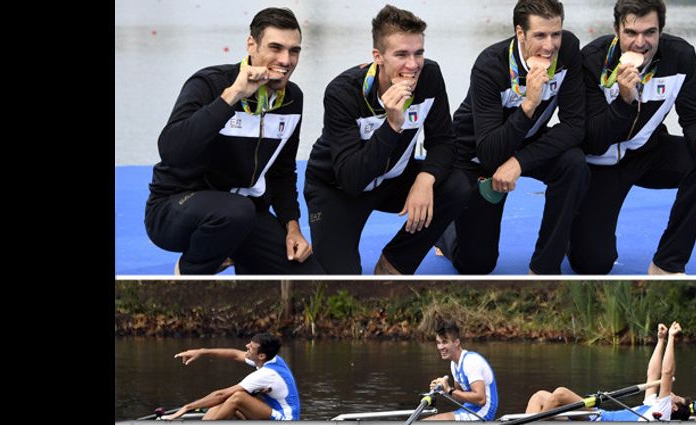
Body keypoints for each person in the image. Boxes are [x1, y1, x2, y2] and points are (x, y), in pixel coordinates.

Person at [145, 8, 322, 275]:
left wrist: (292, 227)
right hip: (174, 209)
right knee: (235, 211)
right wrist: (232, 96)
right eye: (275, 48)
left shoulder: (292, 98)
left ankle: (237, 255)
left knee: (311, 280)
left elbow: (282, 173)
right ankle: (192, 269)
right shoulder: (210, 83)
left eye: (294, 50)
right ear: (251, 44)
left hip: (246, 216)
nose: (286, 60)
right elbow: (172, 150)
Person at [568, 0, 696, 275]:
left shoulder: (680, 56)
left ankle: (667, 263)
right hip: (598, 165)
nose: (640, 42)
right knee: (592, 265)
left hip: (648, 152)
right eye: (631, 33)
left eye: (650, 33)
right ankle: (577, 230)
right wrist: (623, 100)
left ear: (661, 31)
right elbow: (592, 140)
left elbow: (694, 119)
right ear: (616, 30)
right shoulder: (591, 61)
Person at [304, 5, 470, 274]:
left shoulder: (429, 77)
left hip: (392, 179)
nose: (413, 65)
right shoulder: (342, 92)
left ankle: (395, 262)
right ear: (378, 56)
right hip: (337, 188)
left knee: (455, 185)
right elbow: (351, 178)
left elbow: (443, 142)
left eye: (419, 53)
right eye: (401, 54)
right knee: (340, 284)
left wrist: (424, 180)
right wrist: (392, 125)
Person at [437, 0, 589, 274]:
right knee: (476, 265)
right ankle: (444, 232)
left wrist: (519, 161)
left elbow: (575, 126)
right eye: (540, 35)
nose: (550, 45)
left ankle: (544, 267)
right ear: (520, 33)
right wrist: (529, 105)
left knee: (574, 162)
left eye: (556, 34)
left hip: (524, 144)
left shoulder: (568, 50)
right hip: (476, 152)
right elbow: (491, 153)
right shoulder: (489, 66)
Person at [525, 322, 691, 421]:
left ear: (674, 408)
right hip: (600, 415)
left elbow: (667, 373)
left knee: (560, 393)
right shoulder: (652, 404)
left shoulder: (662, 412)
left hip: (599, 421)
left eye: (676, 397)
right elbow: (652, 374)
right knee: (539, 396)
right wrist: (661, 340)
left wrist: (671, 339)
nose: (673, 393)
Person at [164, 332, 301, 421]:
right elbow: (234, 354)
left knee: (237, 397)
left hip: (285, 420)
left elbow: (220, 394)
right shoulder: (273, 359)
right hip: (272, 413)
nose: (246, 346)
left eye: (251, 347)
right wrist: (202, 352)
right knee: (227, 401)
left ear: (261, 356)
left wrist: (186, 408)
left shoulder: (266, 374)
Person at [424, 320, 499, 420]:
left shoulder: (471, 361)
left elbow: (481, 399)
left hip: (483, 414)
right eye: (438, 343)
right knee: (427, 421)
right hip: (468, 409)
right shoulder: (454, 364)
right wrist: (443, 390)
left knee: (430, 421)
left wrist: (449, 390)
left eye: (445, 342)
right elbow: (459, 396)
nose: (440, 347)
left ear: (456, 342)